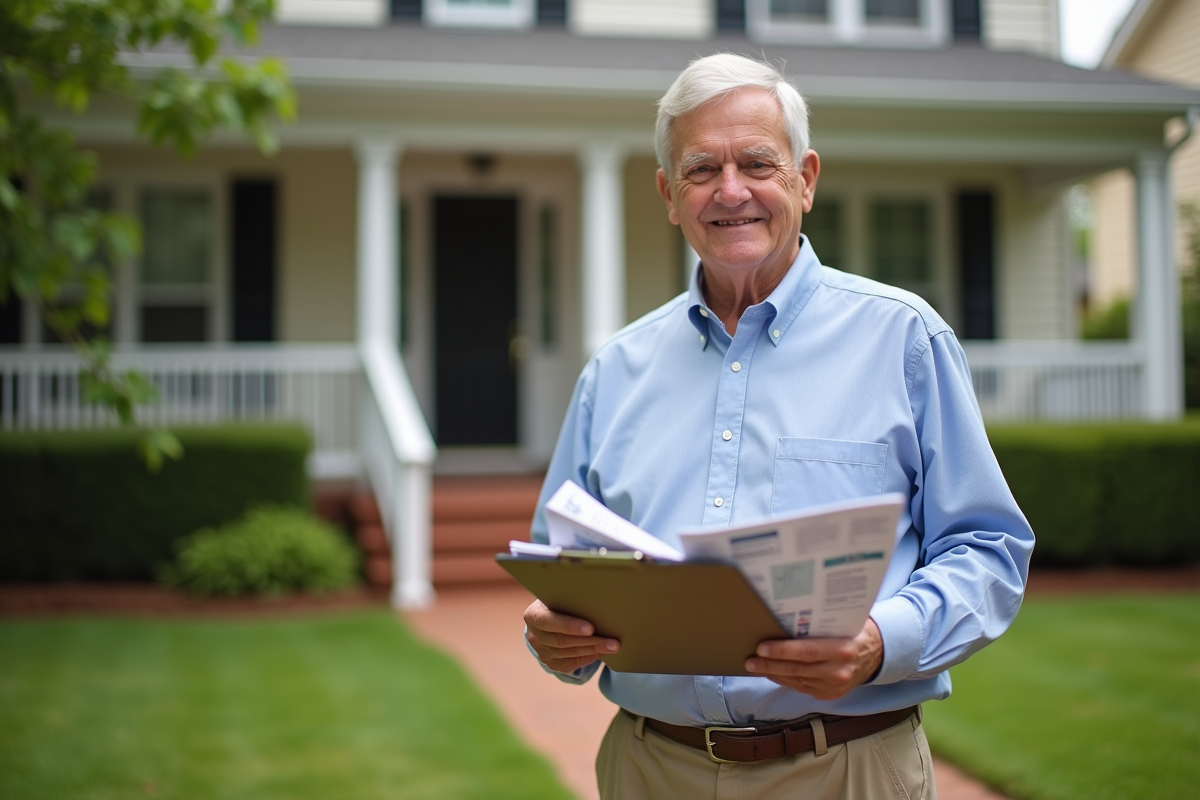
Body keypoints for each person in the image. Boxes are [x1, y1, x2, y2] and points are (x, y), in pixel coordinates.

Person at [524, 53, 1034, 800]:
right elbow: (560, 569)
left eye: (757, 163)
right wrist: (557, 639)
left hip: (847, 769)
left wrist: (880, 642)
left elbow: (989, 550)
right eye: (702, 170)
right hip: (649, 769)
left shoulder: (903, 340)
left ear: (806, 179)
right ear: (670, 195)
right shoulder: (615, 371)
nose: (731, 191)